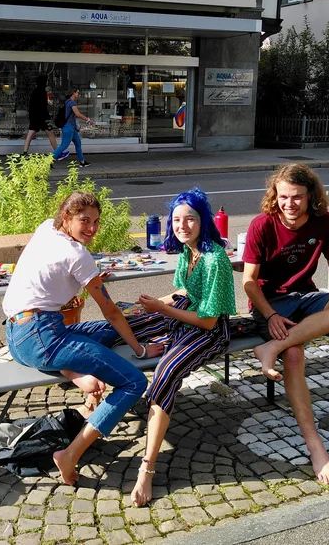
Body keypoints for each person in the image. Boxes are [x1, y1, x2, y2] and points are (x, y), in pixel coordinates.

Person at [2, 192, 164, 485]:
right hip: (43, 337)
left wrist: (91, 277)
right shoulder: (77, 255)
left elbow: (50, 273)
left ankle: (73, 370)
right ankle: (70, 453)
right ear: (66, 217)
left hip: (18, 335)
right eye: (84, 220)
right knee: (134, 382)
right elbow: (111, 311)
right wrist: (140, 350)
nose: (91, 227)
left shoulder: (46, 229)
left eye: (96, 221)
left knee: (107, 332)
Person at [241, 163, 329, 487]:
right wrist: (270, 316)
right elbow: (249, 283)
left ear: (310, 196)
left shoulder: (325, 223)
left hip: (305, 296)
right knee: (294, 358)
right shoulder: (261, 225)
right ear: (274, 195)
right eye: (283, 197)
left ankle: (273, 346)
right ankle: (317, 449)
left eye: (296, 197)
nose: (289, 204)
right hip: (269, 304)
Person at [121, 188, 237, 507]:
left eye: (190, 219)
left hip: (209, 328)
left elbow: (209, 322)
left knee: (166, 372)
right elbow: (183, 290)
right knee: (123, 320)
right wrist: (154, 303)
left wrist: (162, 309)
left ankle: (147, 468)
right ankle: (94, 385)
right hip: (188, 311)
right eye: (177, 219)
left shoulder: (214, 259)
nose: (182, 225)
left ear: (203, 220)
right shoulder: (189, 250)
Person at [22, 75, 62, 157]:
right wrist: (47, 116)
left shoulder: (34, 91)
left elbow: (32, 106)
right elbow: (43, 106)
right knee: (51, 134)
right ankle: (58, 153)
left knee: (30, 134)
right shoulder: (43, 92)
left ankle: (25, 152)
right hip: (43, 118)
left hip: (34, 118)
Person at [52, 88, 93, 167]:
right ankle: (48, 161)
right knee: (64, 145)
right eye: (77, 92)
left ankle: (82, 162)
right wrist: (88, 120)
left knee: (78, 143)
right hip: (68, 127)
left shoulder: (67, 102)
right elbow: (77, 114)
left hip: (71, 127)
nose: (78, 94)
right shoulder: (71, 103)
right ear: (73, 93)